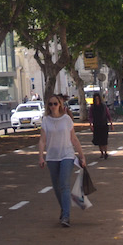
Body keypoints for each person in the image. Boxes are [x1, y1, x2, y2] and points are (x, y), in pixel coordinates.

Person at [38, 94, 86, 228]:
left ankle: (66, 215)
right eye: (50, 104)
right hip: (52, 157)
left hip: (67, 155)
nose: (53, 106)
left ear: (60, 104)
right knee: (57, 187)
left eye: (55, 104)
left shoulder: (66, 120)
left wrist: (82, 156)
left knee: (64, 185)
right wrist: (41, 156)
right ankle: (64, 208)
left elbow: (74, 139)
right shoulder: (46, 120)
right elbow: (42, 140)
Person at [89, 91, 111, 159]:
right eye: (95, 99)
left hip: (104, 124)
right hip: (96, 125)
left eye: (98, 99)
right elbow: (90, 116)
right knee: (98, 140)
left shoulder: (104, 106)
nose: (97, 100)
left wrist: (111, 123)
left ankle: (105, 152)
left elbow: (108, 115)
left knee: (104, 139)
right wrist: (91, 125)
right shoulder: (92, 108)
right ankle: (102, 153)